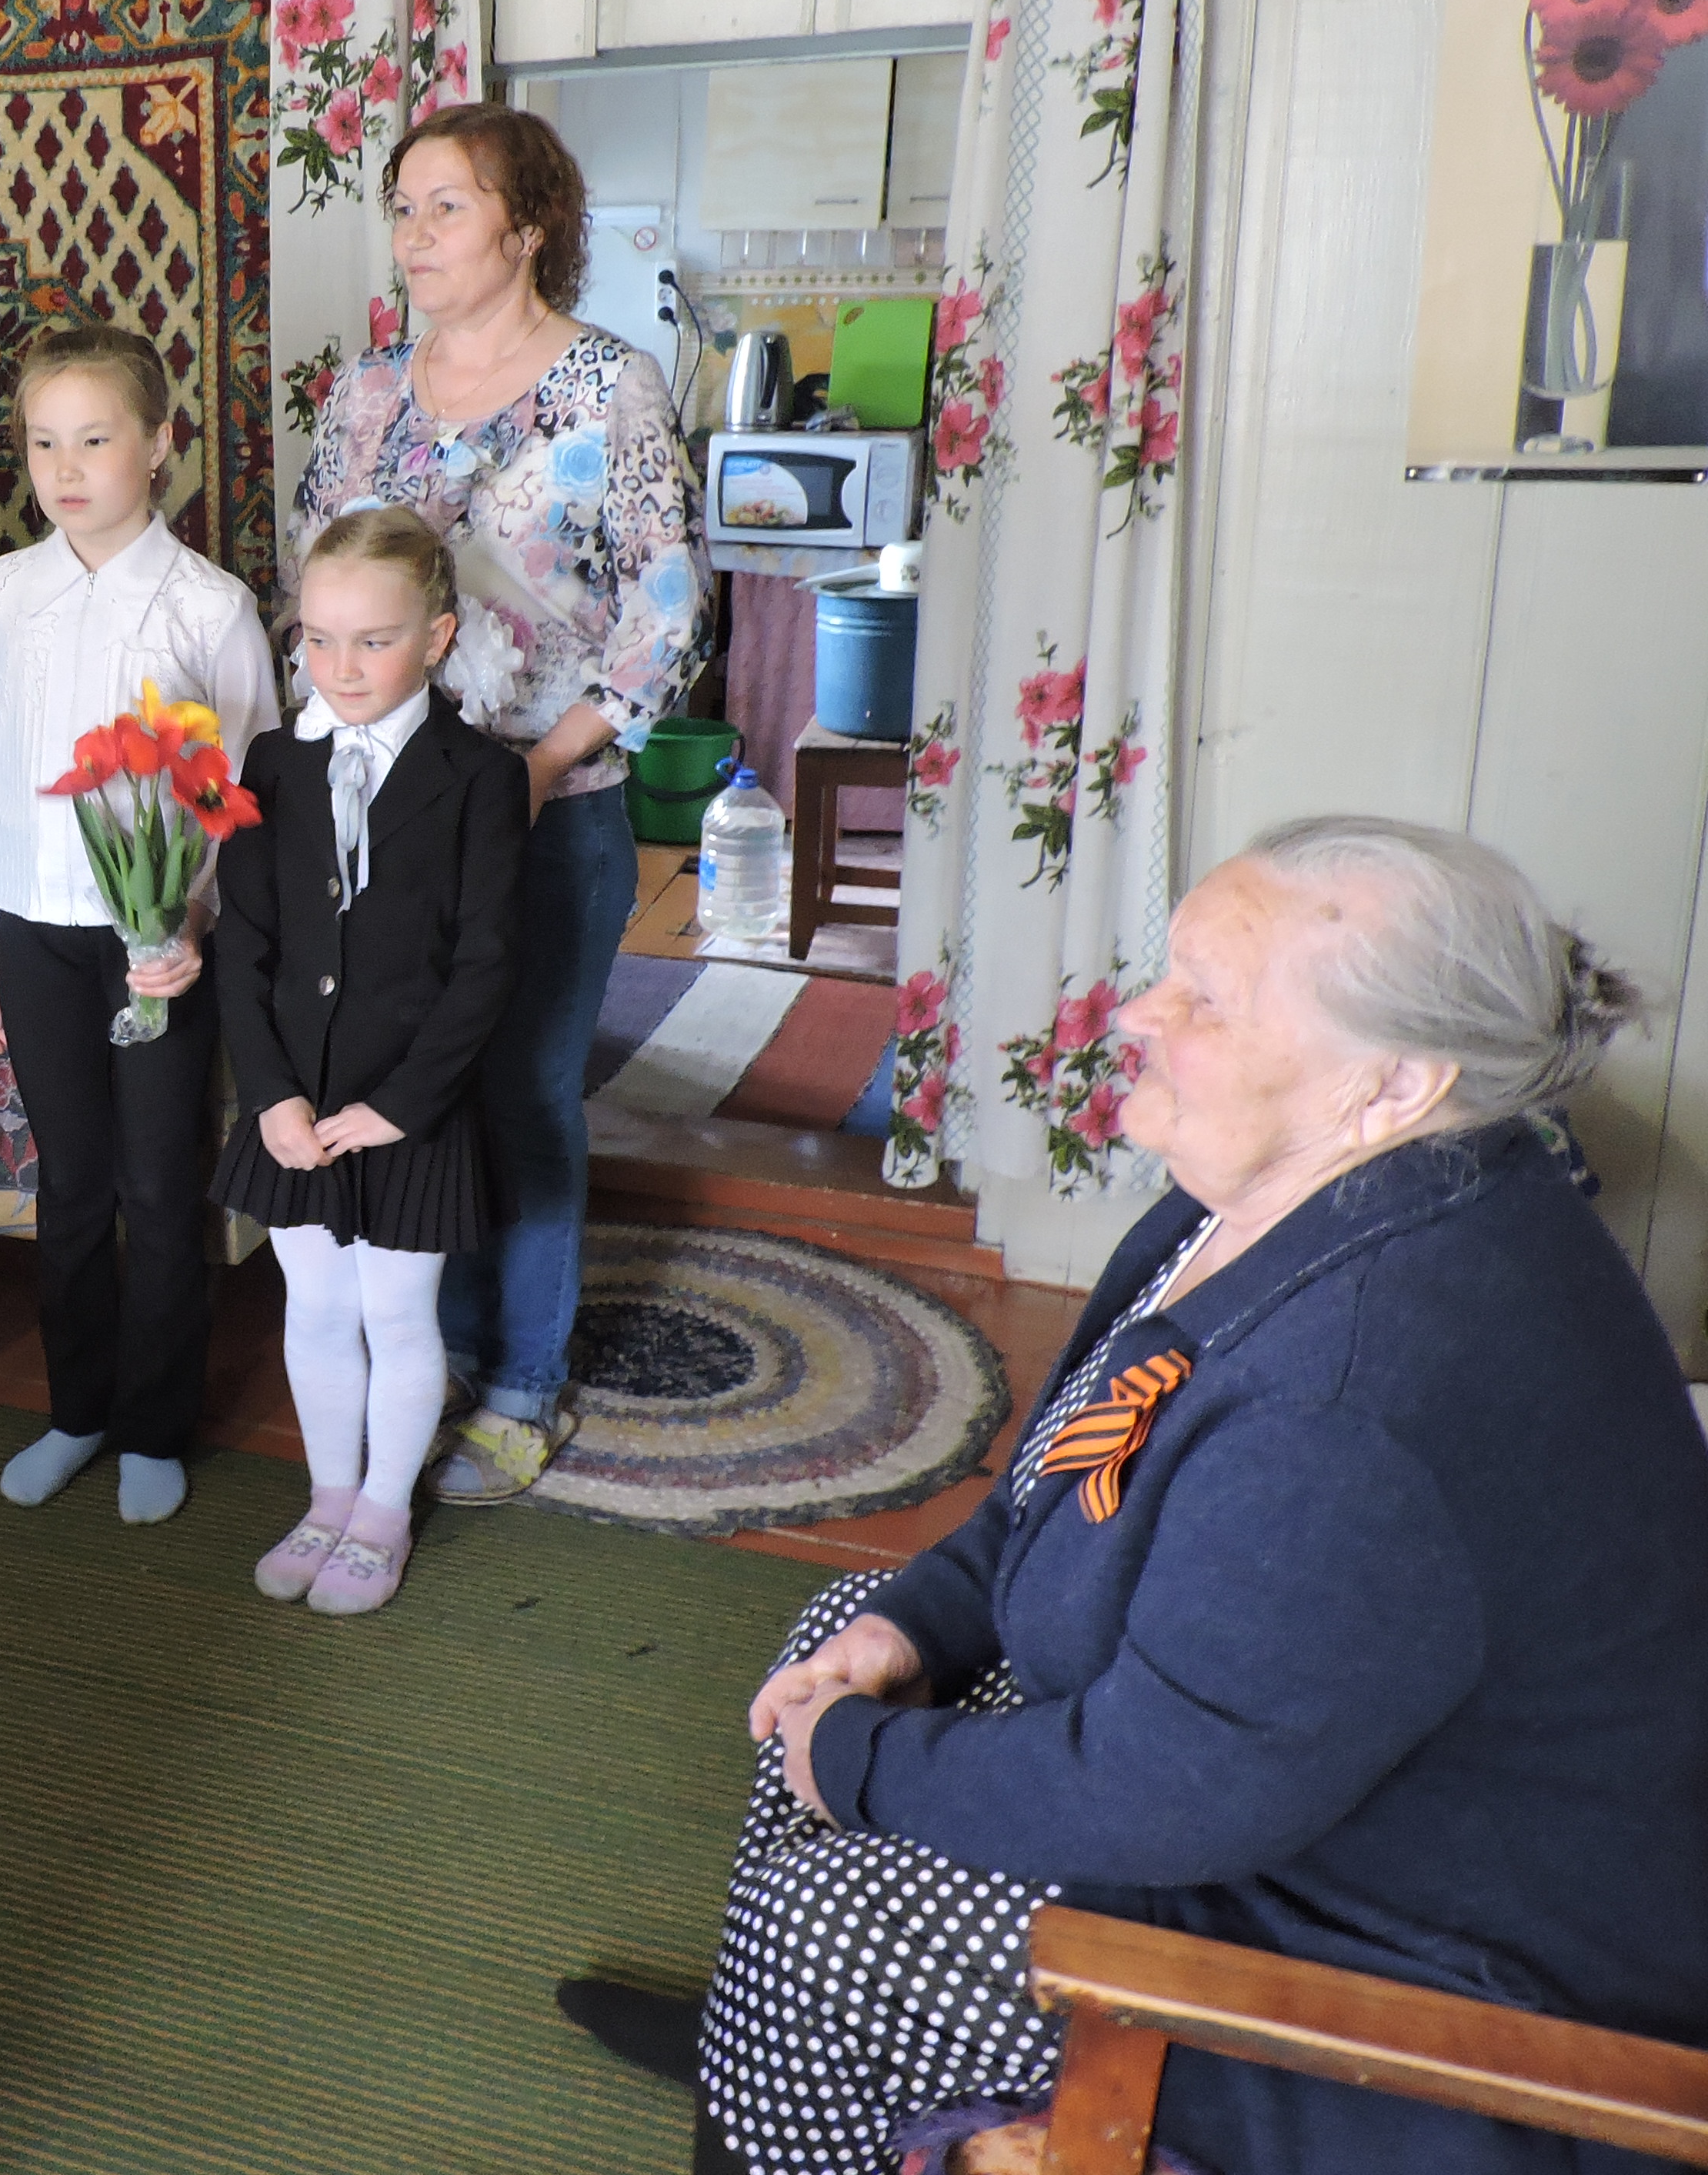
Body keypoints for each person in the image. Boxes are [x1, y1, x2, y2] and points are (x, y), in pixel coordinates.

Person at [560, 818, 1708, 2175]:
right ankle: (773, 2046)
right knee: (841, 1637)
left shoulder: (1354, 1403)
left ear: (1392, 1083)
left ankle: (794, 2043)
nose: (1136, 1015)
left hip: (1415, 1976)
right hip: (1290, 1791)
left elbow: (1168, 1795)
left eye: (1204, 1000)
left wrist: (856, 1765)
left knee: (832, 1920)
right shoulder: (1272, 1199)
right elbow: (1061, 1472)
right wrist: (918, 1620)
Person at [288, 99, 712, 1507]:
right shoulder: (364, 396)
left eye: (447, 207)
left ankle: (522, 1381)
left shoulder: (610, 387)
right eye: (402, 208)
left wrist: (528, 772)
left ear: (528, 229)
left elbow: (669, 616)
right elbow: (313, 580)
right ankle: (437, 1353)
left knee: (524, 1089)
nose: (414, 235)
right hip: (385, 812)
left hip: (550, 802)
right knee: (414, 1083)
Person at [0, 318, 282, 1525]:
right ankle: (76, 1411)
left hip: (158, 947)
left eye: (95, 439)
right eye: (44, 442)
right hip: (35, 933)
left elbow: (242, 794)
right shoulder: (0, 596)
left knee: (157, 1184)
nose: (67, 468)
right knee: (72, 1186)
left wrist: (188, 928)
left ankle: (155, 1424)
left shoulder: (209, 607)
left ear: (159, 445)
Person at [209, 509, 532, 1616]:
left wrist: (402, 1105)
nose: (340, 667)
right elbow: (245, 946)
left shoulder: (481, 779)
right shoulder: (271, 764)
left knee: (397, 1315)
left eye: (374, 641)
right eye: (319, 639)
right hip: (296, 1105)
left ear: (437, 638)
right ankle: (329, 1495)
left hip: (410, 1112)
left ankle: (385, 1510)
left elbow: (487, 965)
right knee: (313, 1306)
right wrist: (270, 1097)